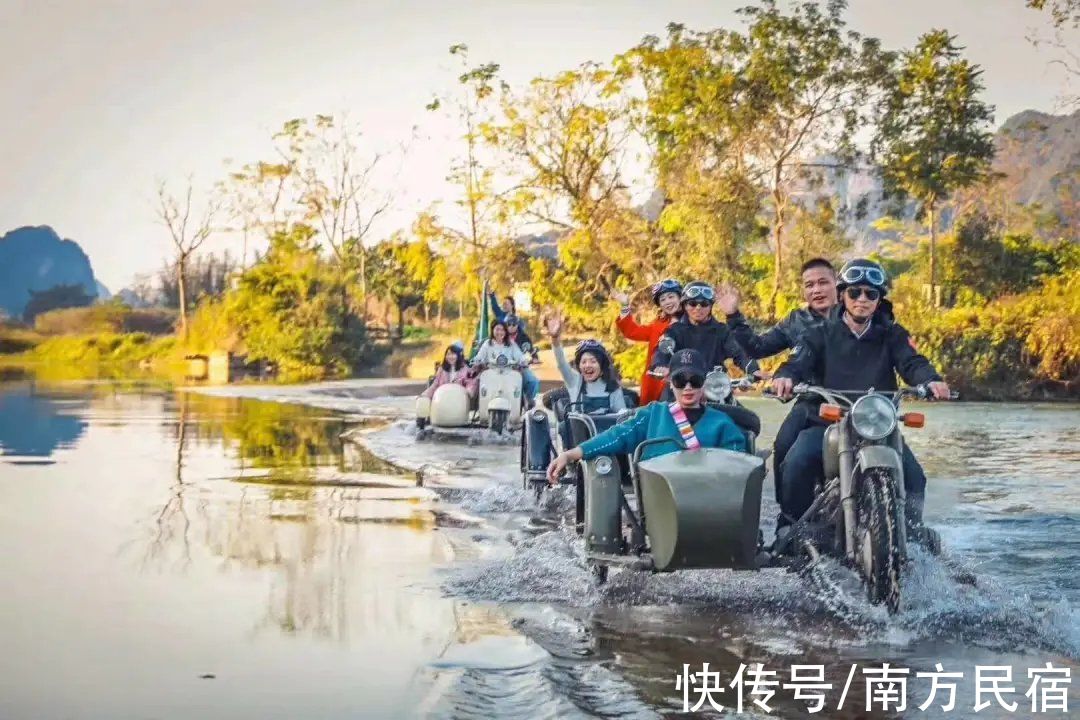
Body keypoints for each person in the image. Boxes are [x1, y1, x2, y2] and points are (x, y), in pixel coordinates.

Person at [770, 258, 951, 533]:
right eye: (855, 292)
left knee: (914, 477)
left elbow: (912, 362)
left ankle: (911, 536)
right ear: (842, 295)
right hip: (828, 422)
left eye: (871, 294)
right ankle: (793, 528)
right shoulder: (818, 333)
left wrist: (931, 380)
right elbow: (799, 360)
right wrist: (786, 376)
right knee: (797, 461)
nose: (862, 299)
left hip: (876, 425)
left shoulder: (892, 334)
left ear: (879, 301)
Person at [715, 258, 838, 527]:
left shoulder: (853, 315)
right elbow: (758, 347)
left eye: (822, 282)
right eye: (809, 285)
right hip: (811, 401)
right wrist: (734, 316)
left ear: (837, 283)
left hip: (858, 403)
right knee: (784, 447)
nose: (816, 290)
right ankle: (790, 519)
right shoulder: (796, 320)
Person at [546, 349, 746, 483]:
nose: (687, 387)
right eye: (680, 380)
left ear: (704, 383)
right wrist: (570, 454)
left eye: (695, 380)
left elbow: (737, 472)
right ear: (669, 382)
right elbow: (615, 437)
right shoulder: (653, 414)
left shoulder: (723, 424)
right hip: (658, 501)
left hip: (706, 506)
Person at [650, 281, 759, 387]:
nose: (698, 308)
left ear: (710, 306)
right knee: (662, 405)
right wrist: (660, 365)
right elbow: (661, 351)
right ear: (685, 306)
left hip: (714, 387)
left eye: (704, 304)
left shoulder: (722, 330)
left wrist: (753, 370)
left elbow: (739, 352)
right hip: (680, 386)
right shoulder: (674, 330)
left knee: (740, 406)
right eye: (692, 303)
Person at [613, 279, 684, 405]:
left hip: (688, 383)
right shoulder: (657, 327)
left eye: (671, 297)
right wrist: (625, 306)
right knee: (658, 418)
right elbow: (632, 331)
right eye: (662, 300)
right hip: (659, 385)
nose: (667, 302)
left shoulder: (693, 321)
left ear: (680, 298)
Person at [545, 314, 627, 414]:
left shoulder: (613, 388)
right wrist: (554, 338)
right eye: (583, 362)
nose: (587, 365)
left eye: (593, 361)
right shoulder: (575, 382)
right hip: (578, 429)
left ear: (602, 366)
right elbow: (561, 362)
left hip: (607, 429)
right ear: (579, 366)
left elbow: (622, 416)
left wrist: (624, 413)